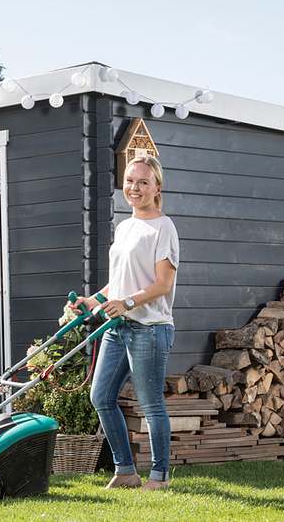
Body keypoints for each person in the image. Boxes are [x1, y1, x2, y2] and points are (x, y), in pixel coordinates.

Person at [70, 155, 179, 491]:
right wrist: (94, 301)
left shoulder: (164, 227)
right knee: (100, 396)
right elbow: (119, 282)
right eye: (130, 181)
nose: (135, 188)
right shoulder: (125, 226)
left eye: (143, 182)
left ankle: (159, 477)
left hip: (150, 328)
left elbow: (162, 284)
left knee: (151, 405)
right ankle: (126, 471)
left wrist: (128, 303)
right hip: (118, 328)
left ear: (157, 187)